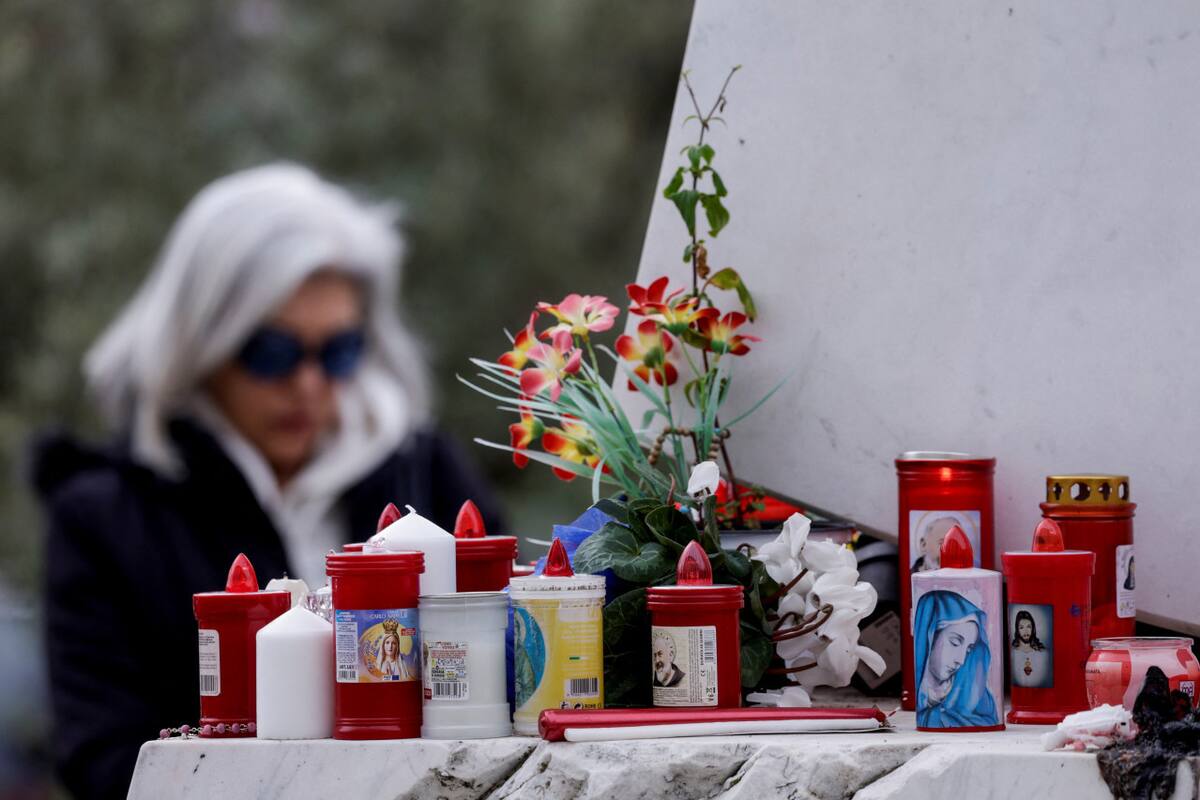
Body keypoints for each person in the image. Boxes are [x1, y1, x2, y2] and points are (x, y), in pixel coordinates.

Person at [31, 164, 502, 800]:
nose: (308, 384)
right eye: (272, 353)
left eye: (337, 352)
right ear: (203, 344)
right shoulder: (107, 518)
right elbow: (103, 760)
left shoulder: (425, 474)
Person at [913, 589, 999, 728]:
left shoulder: (976, 692)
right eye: (955, 642)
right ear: (930, 636)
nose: (961, 660)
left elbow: (989, 721)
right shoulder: (921, 695)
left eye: (969, 649)